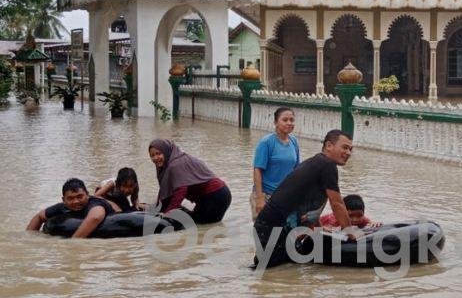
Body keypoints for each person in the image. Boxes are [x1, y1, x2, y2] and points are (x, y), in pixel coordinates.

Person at [253, 130, 362, 269]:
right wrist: (351, 233)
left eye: (351, 149)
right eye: (345, 147)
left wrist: (319, 229)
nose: (348, 153)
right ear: (329, 146)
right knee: (272, 272)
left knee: (283, 270)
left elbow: (308, 205)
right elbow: (337, 204)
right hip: (274, 228)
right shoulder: (327, 165)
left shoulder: (317, 163)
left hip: (274, 227)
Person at [148, 139, 231, 225]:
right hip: (211, 196)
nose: (155, 158)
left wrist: (168, 213)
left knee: (202, 226)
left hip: (215, 196)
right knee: (201, 225)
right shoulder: (168, 164)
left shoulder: (175, 165)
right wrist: (155, 208)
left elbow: (180, 190)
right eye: (152, 155)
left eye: (158, 154)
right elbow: (167, 193)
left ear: (166, 151)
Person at [250, 107, 300, 221]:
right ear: (276, 122)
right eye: (285, 120)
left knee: (284, 230)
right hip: (266, 195)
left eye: (292, 120)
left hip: (285, 196)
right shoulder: (267, 142)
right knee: (265, 230)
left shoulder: (294, 142)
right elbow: (257, 170)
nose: (289, 123)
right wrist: (260, 198)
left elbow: (296, 170)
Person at [26, 178, 119, 238]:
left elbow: (95, 217)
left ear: (87, 195)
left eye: (80, 197)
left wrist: (73, 243)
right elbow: (39, 216)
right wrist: (30, 238)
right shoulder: (62, 206)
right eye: (70, 198)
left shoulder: (94, 202)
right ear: (64, 200)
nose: (76, 201)